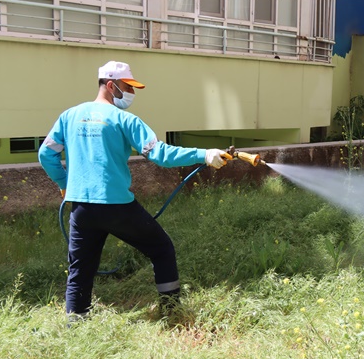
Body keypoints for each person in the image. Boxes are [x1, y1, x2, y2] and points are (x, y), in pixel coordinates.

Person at [38, 60, 231, 322]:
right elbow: (161, 154)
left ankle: (76, 326)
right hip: (117, 206)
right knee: (161, 248)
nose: (132, 93)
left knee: (80, 268)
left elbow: (46, 154)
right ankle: (171, 310)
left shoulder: (69, 116)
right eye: (128, 87)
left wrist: (64, 184)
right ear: (110, 85)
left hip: (81, 208)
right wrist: (204, 154)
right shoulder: (123, 119)